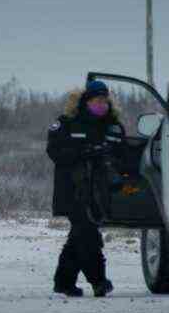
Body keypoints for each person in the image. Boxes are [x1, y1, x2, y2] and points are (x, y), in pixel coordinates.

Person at [46, 80, 124, 298]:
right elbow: (54, 151)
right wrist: (82, 152)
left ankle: (64, 282)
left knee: (79, 235)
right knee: (88, 234)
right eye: (97, 101)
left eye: (104, 101)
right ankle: (99, 280)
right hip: (73, 191)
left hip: (100, 192)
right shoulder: (67, 123)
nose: (101, 105)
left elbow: (124, 155)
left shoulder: (113, 126)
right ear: (86, 101)